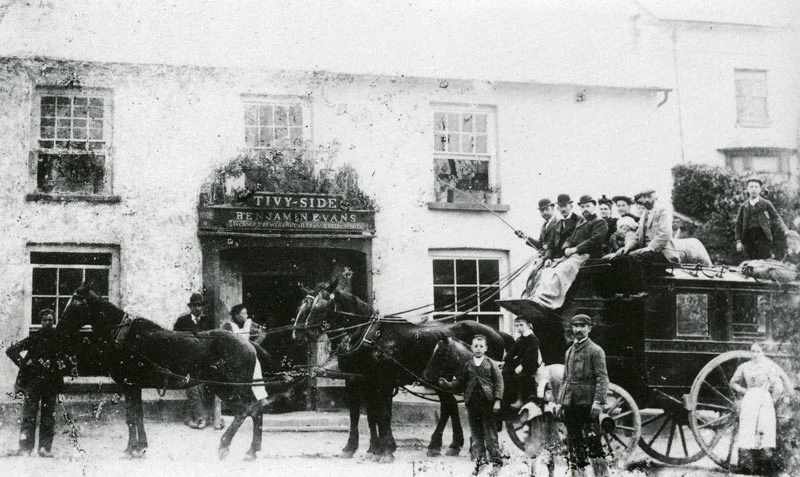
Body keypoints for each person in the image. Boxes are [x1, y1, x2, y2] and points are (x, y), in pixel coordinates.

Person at [438, 335, 504, 474]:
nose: (478, 349)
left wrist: (497, 400)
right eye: (476, 346)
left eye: (481, 346)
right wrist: (448, 384)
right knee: (476, 434)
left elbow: (499, 383)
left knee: (490, 434)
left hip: (488, 403)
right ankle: (481, 462)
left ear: (486, 348)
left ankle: (496, 463)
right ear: (472, 348)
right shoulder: (468, 365)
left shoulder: (491, 364)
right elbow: (461, 382)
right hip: (472, 403)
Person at [555, 314, 610, 477]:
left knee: (593, 442)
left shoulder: (595, 350)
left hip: (588, 403)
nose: (578, 329)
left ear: (589, 328)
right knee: (573, 441)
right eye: (575, 326)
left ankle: (601, 475)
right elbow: (565, 378)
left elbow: (602, 377)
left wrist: (598, 402)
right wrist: (559, 402)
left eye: (582, 326)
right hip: (570, 403)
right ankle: (579, 475)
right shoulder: (569, 351)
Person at [532, 195, 607, 309]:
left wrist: (575, 249)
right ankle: (541, 298)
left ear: (594, 206)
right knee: (549, 270)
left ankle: (551, 302)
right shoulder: (581, 223)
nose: (585, 209)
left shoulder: (600, 222)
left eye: (588, 206)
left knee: (562, 270)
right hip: (575, 255)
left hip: (588, 256)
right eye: (582, 207)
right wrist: (566, 248)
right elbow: (571, 239)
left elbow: (594, 240)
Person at [6, 309, 63, 457]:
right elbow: (11, 350)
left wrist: (60, 367)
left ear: (54, 321)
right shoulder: (34, 338)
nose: (48, 323)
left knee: (48, 417)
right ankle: (25, 448)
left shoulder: (59, 339)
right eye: (45, 320)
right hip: (34, 383)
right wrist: (25, 365)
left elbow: (67, 358)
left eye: (50, 320)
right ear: (40, 321)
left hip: (51, 383)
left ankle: (45, 449)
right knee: (29, 416)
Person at [730, 343, 785, 475]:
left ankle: (764, 468)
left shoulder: (769, 367)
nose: (755, 354)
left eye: (758, 352)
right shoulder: (744, 367)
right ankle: (748, 467)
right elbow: (733, 382)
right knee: (747, 429)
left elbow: (778, 386)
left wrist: (772, 399)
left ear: (763, 353)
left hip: (764, 400)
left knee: (764, 429)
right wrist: (745, 391)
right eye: (753, 351)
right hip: (749, 400)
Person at [174, 292, 215, 430]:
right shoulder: (182, 321)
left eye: (200, 306)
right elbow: (175, 341)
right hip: (186, 362)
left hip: (203, 361)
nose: (198, 309)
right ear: (190, 307)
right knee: (191, 387)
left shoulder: (208, 321)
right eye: (195, 306)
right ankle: (200, 418)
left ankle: (192, 418)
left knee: (202, 387)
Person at [223, 304, 270, 408]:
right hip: (234, 356)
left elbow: (263, 333)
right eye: (243, 313)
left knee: (256, 370)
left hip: (247, 355)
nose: (246, 315)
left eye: (246, 313)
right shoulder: (228, 326)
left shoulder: (249, 324)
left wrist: (252, 345)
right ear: (236, 315)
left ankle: (262, 398)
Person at [735, 178, 788, 260]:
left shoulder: (766, 203)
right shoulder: (744, 206)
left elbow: (776, 217)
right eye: (751, 187)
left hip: (763, 237)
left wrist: (785, 229)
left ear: (760, 189)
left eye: (756, 187)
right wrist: (738, 241)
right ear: (747, 189)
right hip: (748, 238)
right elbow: (738, 223)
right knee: (749, 263)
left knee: (762, 262)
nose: (753, 189)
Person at [516, 198, 559, 298]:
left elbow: (556, 243)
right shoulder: (544, 226)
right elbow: (540, 245)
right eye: (542, 211)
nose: (544, 213)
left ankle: (541, 297)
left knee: (542, 276)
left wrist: (547, 249)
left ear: (553, 208)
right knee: (533, 275)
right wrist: (525, 237)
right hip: (545, 257)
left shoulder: (558, 223)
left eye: (546, 209)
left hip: (553, 257)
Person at [503, 316, 541, 408]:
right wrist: (505, 360)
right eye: (517, 326)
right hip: (521, 361)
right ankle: (507, 397)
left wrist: (522, 365)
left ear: (528, 326)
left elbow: (530, 354)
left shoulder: (532, 338)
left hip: (531, 362)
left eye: (521, 325)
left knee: (520, 375)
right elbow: (513, 351)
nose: (519, 328)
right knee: (506, 370)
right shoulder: (520, 339)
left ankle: (521, 398)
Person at [543, 194, 580, 263]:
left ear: (571, 206)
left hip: (573, 257)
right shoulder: (556, 225)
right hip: (557, 258)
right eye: (560, 206)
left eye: (565, 206)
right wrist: (548, 258)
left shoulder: (579, 220)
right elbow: (551, 245)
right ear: (558, 209)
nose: (563, 209)